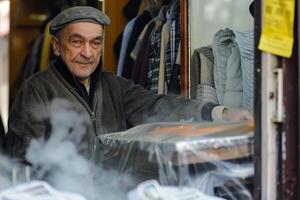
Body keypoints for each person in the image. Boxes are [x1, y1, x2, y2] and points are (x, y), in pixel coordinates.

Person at [6, 6, 253, 160]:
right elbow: (23, 160)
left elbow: (158, 104)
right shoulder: (36, 90)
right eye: (77, 42)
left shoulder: (113, 85)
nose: (88, 53)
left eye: (95, 43)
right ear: (58, 47)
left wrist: (221, 113)